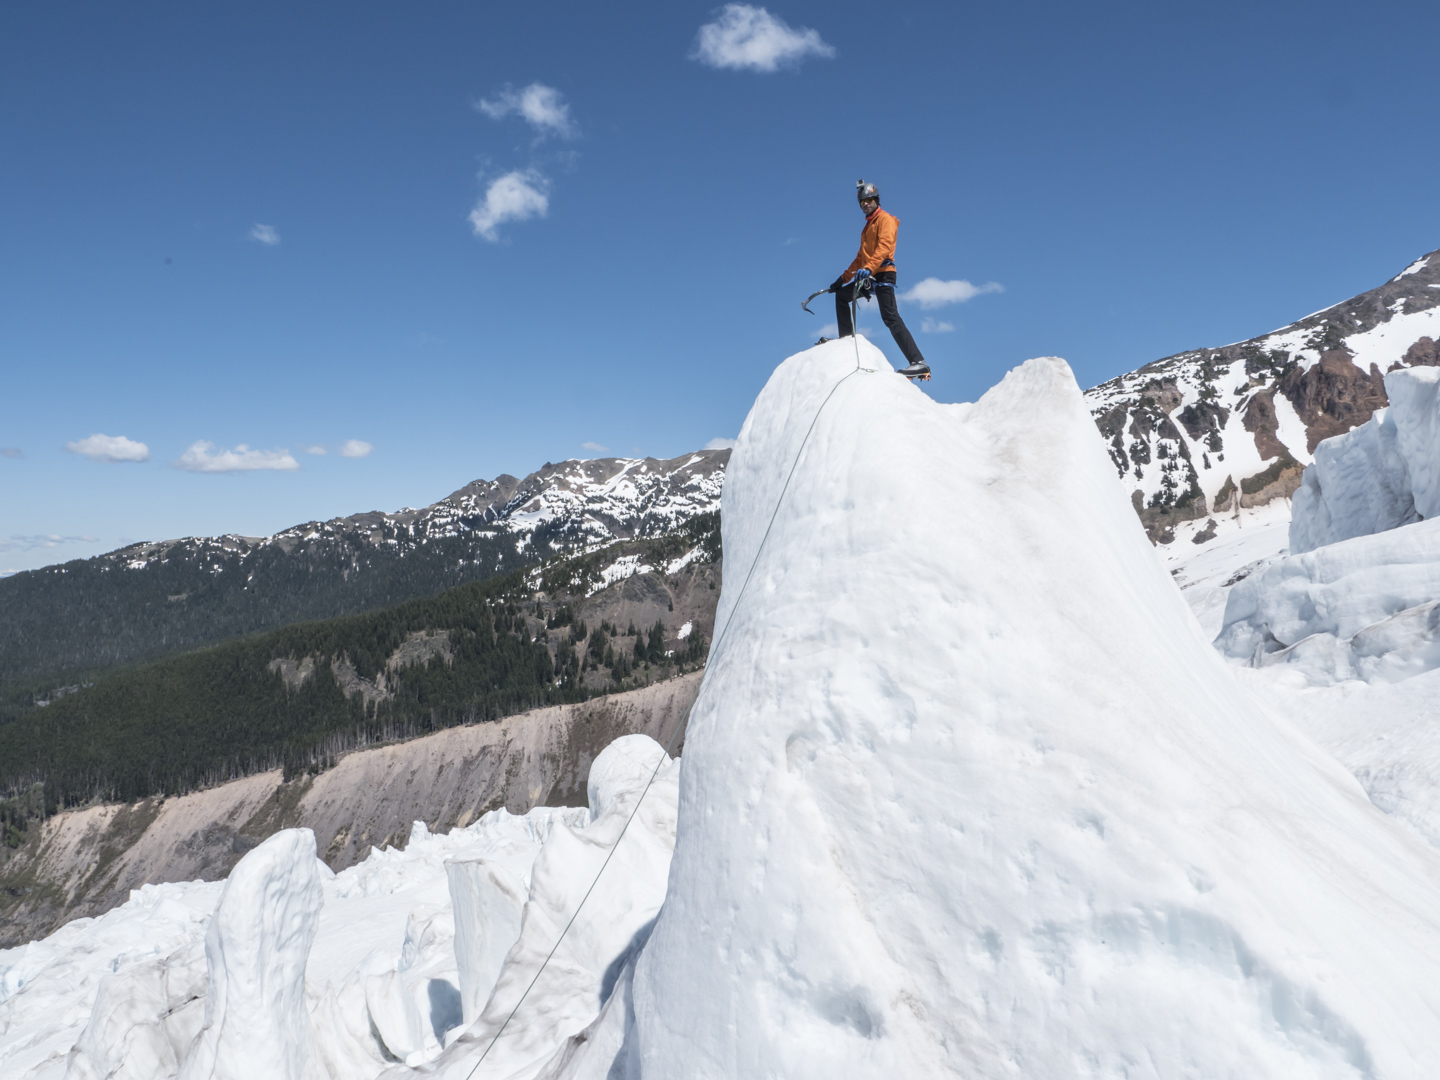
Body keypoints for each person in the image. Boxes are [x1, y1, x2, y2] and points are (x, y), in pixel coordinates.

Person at [830, 180, 930, 379]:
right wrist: (843, 278)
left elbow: (884, 247)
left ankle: (919, 362)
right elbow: (860, 258)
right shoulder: (867, 228)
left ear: (876, 200)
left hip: (882, 273)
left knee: (890, 317)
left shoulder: (886, 220)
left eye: (869, 200)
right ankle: (847, 343)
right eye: (862, 202)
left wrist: (868, 267)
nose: (865, 204)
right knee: (842, 296)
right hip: (868, 275)